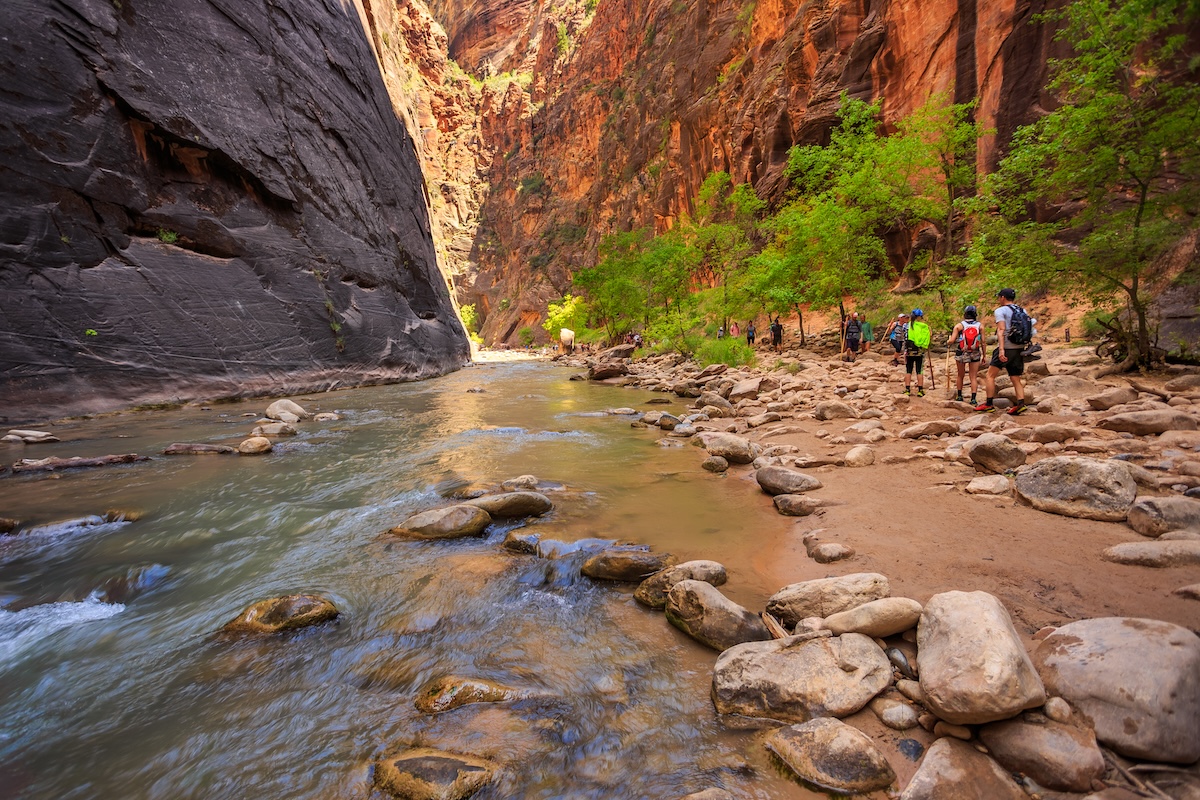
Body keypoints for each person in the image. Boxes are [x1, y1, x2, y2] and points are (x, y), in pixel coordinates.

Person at [976, 288, 1029, 415]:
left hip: (1006, 347)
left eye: (999, 297)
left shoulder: (1000, 311)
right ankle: (1020, 403)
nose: (999, 299)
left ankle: (989, 404)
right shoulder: (1022, 310)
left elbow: (1001, 330)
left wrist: (1001, 350)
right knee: (1015, 377)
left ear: (1003, 297)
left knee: (990, 375)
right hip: (1019, 347)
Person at [948, 305, 984, 404]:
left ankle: (959, 396)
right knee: (973, 376)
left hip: (962, 351)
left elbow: (952, 340)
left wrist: (948, 341)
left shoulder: (959, 326)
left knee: (960, 375)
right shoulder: (980, 326)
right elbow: (983, 342)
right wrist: (984, 355)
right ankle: (973, 399)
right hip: (975, 352)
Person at [903, 309, 930, 396]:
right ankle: (920, 390)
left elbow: (905, 337)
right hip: (919, 351)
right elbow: (927, 337)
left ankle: (907, 389)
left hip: (909, 351)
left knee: (908, 370)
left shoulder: (906, 325)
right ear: (920, 317)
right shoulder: (924, 326)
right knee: (919, 370)